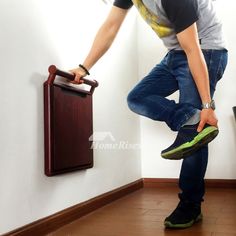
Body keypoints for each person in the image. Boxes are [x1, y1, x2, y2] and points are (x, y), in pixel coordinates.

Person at [70, 0, 228, 229]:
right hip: (176, 53)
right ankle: (188, 119)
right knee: (137, 98)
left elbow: (193, 48)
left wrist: (207, 106)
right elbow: (110, 26)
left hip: (205, 50)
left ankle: (190, 205)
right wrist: (84, 68)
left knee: (196, 130)